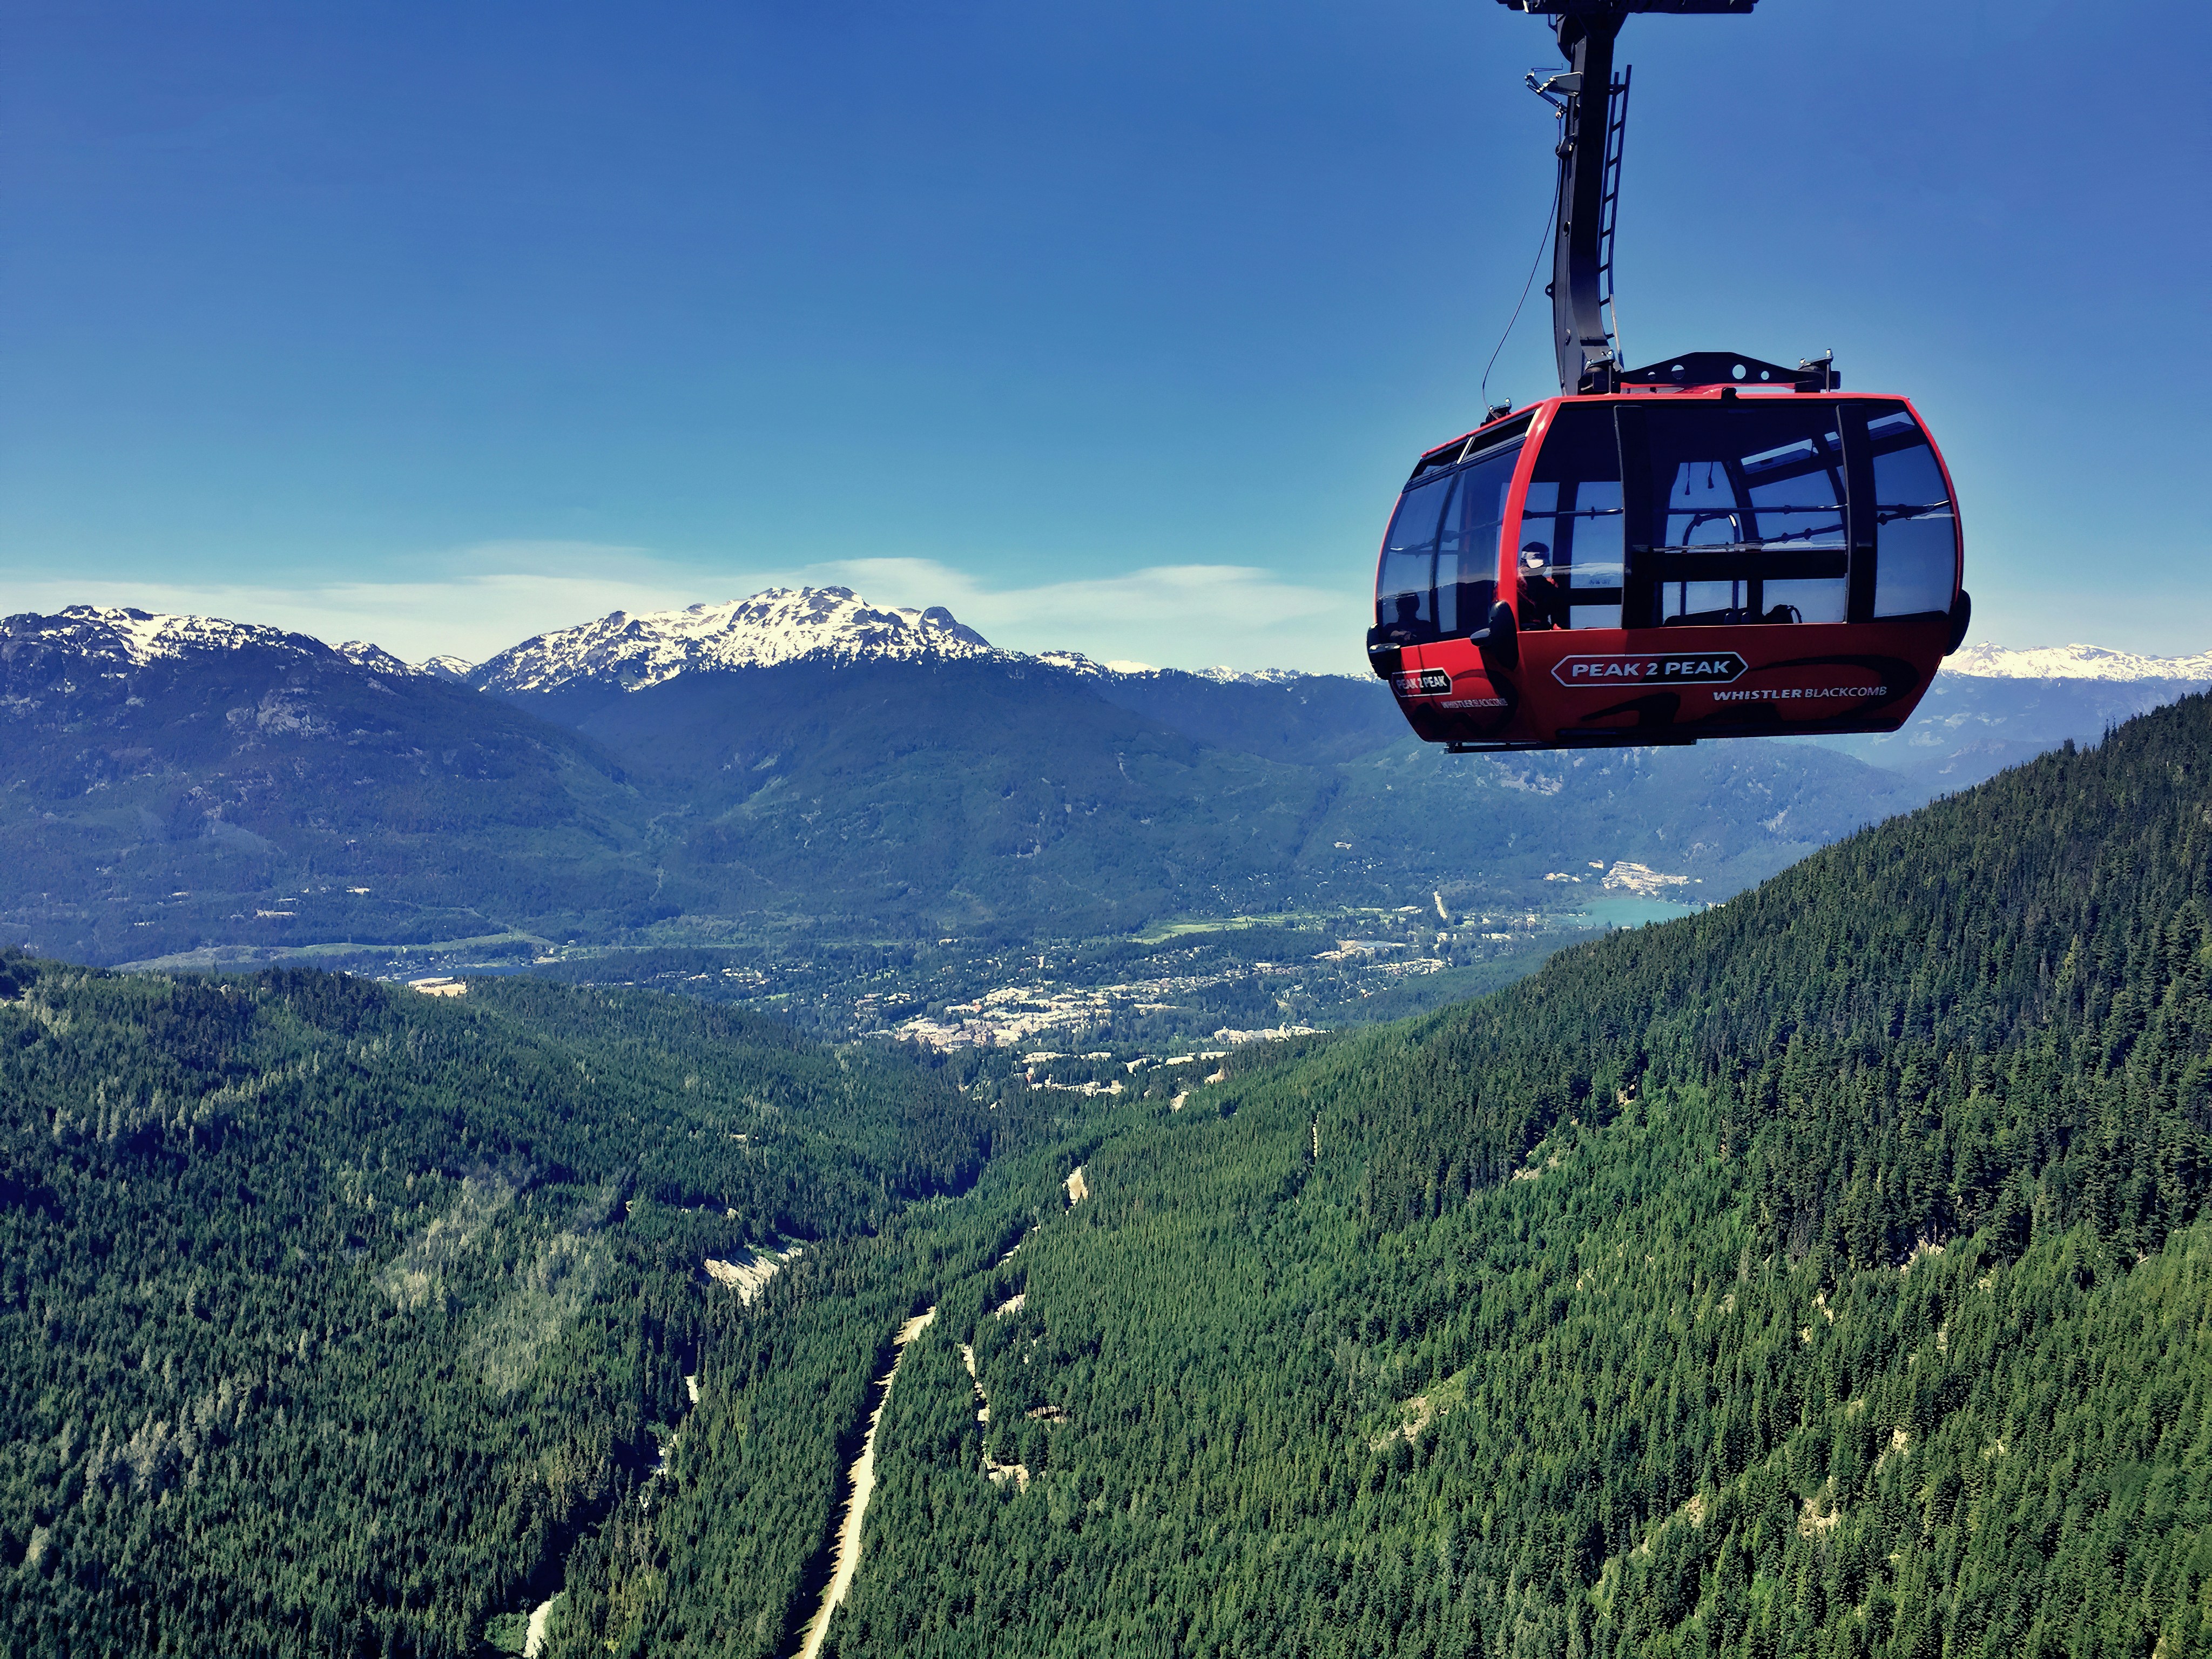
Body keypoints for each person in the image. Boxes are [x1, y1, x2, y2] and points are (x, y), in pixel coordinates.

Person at [1518, 542, 1563, 631]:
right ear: (1523, 563)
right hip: (1517, 635)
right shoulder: (1511, 586)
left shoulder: (1548, 586)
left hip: (1542, 633)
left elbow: (1557, 619)